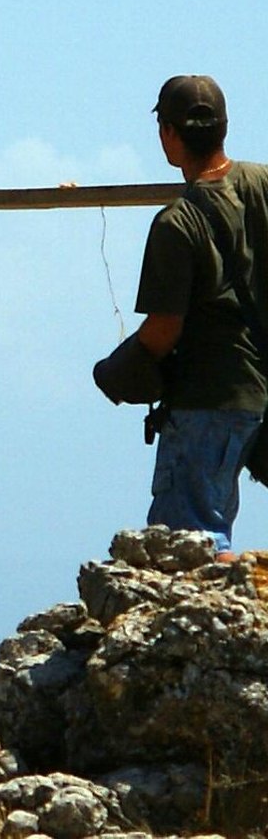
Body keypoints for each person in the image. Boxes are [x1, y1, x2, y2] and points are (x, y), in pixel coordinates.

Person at [94, 75, 268, 558]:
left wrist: (117, 371)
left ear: (168, 135)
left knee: (187, 544)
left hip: (204, 398)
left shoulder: (177, 223)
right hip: (256, 395)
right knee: (211, 527)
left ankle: (212, 633)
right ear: (224, 128)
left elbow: (164, 329)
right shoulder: (262, 184)